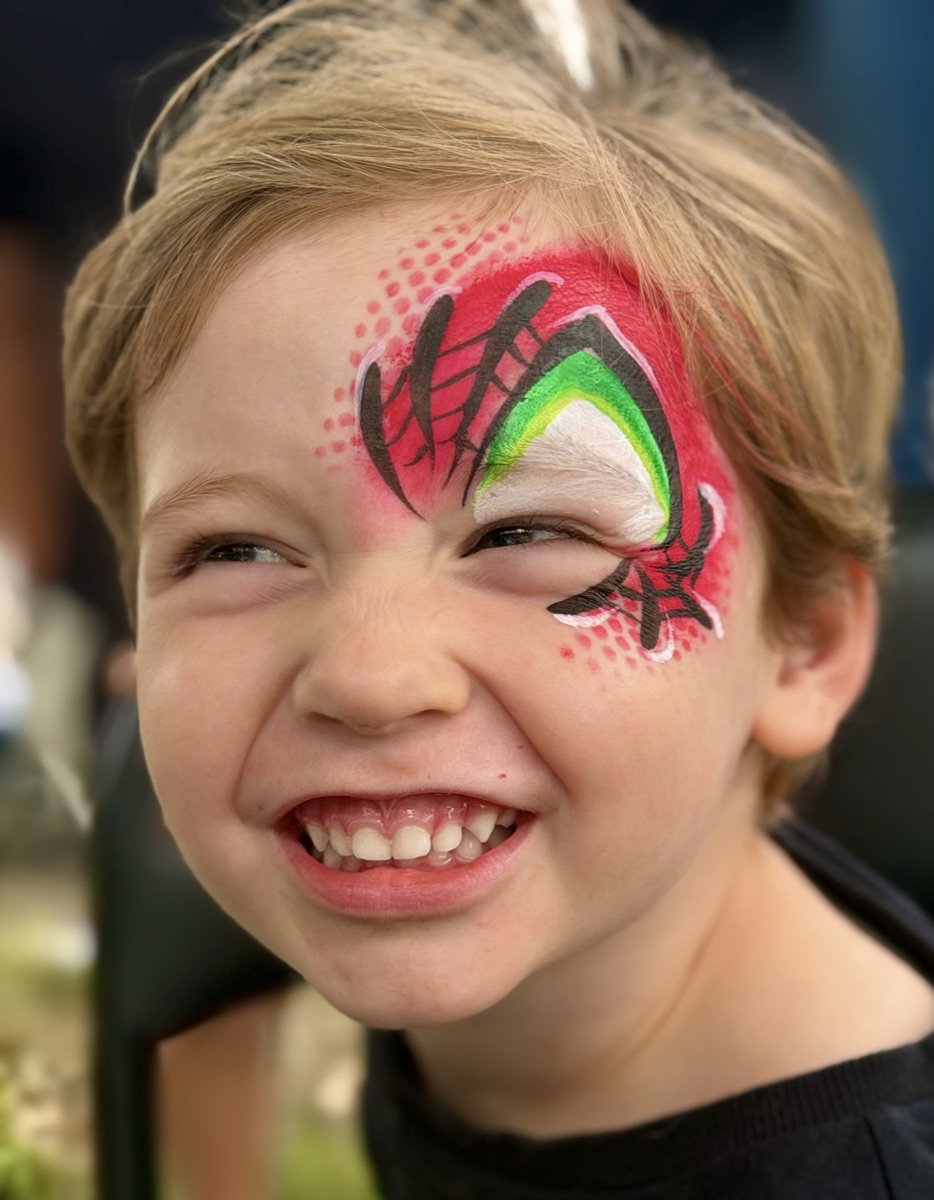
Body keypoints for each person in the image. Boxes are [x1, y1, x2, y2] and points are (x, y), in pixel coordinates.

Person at [61, 2, 934, 1195]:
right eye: (235, 553)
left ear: (803, 647)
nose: (367, 677)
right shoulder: (504, 906)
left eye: (528, 534)